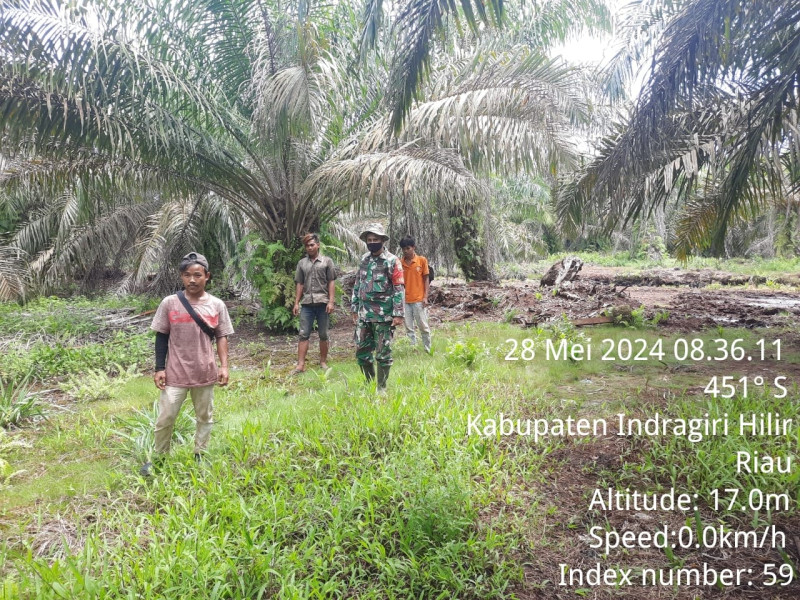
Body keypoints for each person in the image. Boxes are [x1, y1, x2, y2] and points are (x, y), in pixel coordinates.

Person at [140, 252, 233, 477]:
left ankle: (200, 455)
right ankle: (160, 458)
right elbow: (161, 336)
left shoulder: (217, 305)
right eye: (187, 275)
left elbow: (222, 336)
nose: (192, 280)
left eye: (197, 275)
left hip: (204, 372)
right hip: (175, 374)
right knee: (165, 418)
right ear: (181, 277)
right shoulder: (170, 303)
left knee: (205, 417)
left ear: (207, 276)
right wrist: (159, 368)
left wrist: (224, 366)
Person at [351, 224, 404, 391]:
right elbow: (358, 283)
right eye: (369, 240)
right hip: (364, 315)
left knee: (383, 353)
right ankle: (369, 383)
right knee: (362, 351)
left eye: (375, 240)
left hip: (383, 316)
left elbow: (398, 287)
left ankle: (381, 388)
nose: (372, 242)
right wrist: (354, 307)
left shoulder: (392, 261)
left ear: (382, 240)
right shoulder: (364, 260)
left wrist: (398, 313)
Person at [292, 233, 337, 374]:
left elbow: (331, 281)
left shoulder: (327, 262)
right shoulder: (302, 263)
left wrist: (331, 301)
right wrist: (296, 303)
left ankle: (323, 362)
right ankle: (300, 365)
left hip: (323, 302)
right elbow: (299, 283)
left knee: (323, 334)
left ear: (318, 245)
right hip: (307, 304)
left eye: (312, 245)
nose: (309, 248)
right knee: (303, 333)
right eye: (307, 246)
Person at [399, 236, 432, 354]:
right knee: (408, 327)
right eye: (403, 249)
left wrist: (425, 297)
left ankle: (428, 349)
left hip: (418, 299)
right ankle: (413, 349)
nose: (406, 251)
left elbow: (426, 279)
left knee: (423, 325)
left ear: (413, 247)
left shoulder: (422, 260)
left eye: (408, 248)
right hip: (405, 300)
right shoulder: (400, 263)